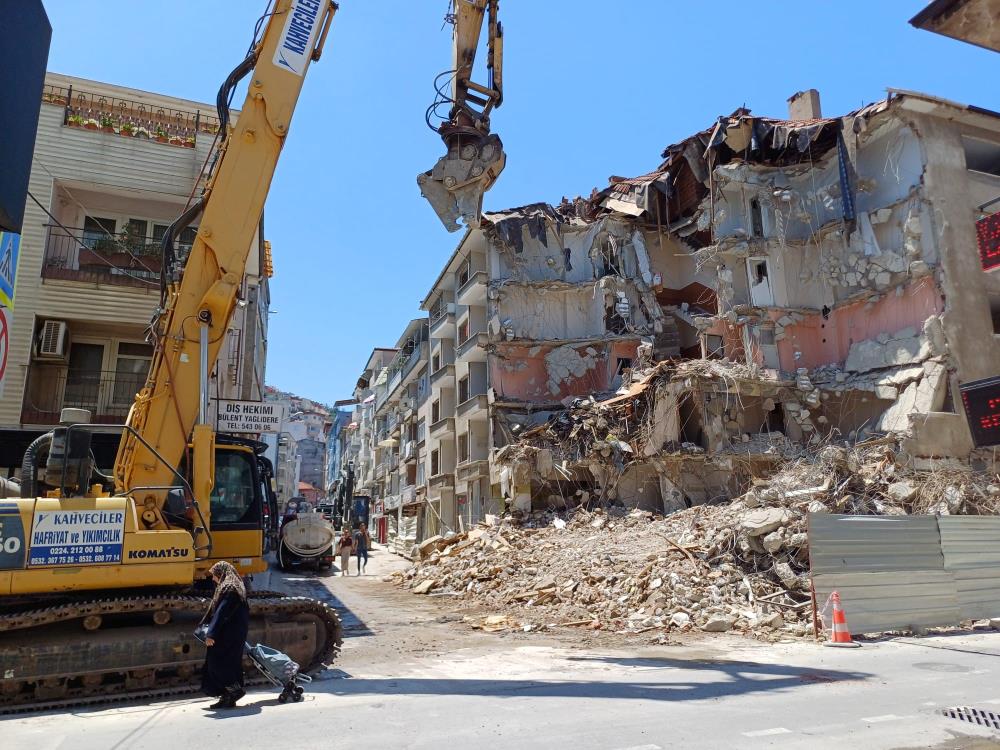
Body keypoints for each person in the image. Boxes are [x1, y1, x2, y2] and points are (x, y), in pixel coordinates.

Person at [200, 561, 250, 709]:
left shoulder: (230, 589)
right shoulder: (233, 586)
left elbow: (221, 613)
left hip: (228, 634)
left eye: (214, 575)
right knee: (229, 662)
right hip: (232, 632)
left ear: (221, 574)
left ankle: (235, 690)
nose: (213, 578)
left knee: (217, 663)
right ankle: (227, 697)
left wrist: (211, 634)